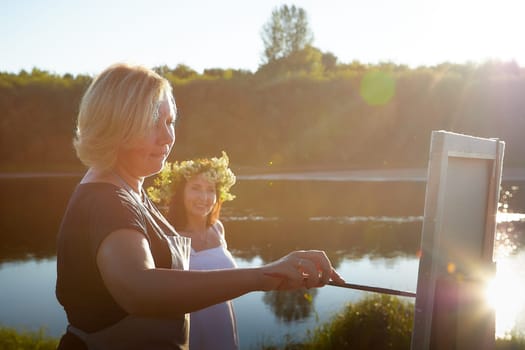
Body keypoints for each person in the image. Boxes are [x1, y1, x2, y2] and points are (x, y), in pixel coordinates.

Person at [55, 62, 345, 350]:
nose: (168, 137)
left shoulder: (130, 191)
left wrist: (277, 274)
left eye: (169, 122)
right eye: (151, 123)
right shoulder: (107, 200)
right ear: (115, 127)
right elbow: (138, 289)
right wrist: (261, 276)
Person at [147, 151, 239, 350]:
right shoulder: (167, 236)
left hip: (222, 320)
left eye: (210, 189)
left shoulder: (217, 228)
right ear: (180, 193)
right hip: (189, 329)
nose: (204, 197)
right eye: (196, 188)